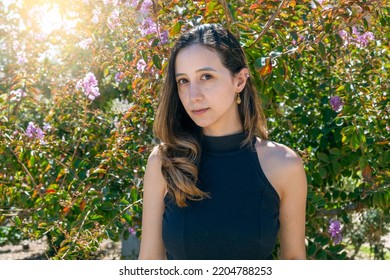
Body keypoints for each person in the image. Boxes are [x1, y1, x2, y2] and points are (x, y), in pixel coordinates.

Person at [138, 23, 307, 260]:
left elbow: (294, 262)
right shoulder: (164, 162)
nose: (193, 95)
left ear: (239, 81)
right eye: (183, 81)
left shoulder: (284, 165)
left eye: (206, 76)